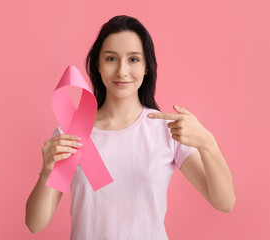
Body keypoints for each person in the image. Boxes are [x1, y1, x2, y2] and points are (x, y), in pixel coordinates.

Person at [26, 15, 236, 239]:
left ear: (147, 66)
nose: (122, 71)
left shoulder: (166, 130)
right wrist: (47, 171)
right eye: (111, 59)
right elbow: (35, 224)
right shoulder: (72, 133)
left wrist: (208, 144)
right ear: (97, 64)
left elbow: (225, 202)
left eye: (133, 59)